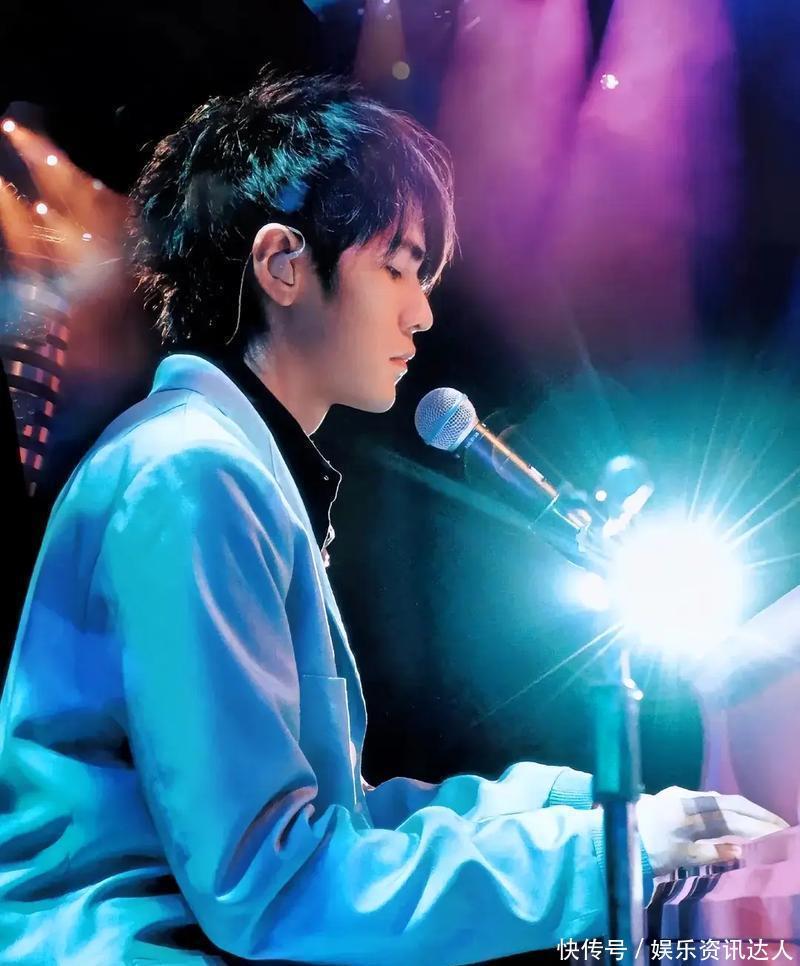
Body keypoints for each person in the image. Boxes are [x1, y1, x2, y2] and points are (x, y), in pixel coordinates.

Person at [0, 71, 786, 966]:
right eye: (399, 267)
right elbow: (272, 886)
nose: (422, 312)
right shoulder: (192, 473)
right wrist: (606, 850)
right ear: (282, 265)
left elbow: (339, 821)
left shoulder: (223, 464)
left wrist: (587, 807)